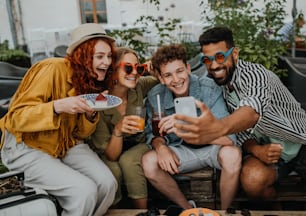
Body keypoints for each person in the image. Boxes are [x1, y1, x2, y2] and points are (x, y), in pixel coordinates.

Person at [174, 26, 306, 200]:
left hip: (301, 143)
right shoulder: (215, 85)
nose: (213, 65)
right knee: (252, 180)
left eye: (220, 57)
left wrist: (218, 127)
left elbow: (251, 111)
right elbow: (181, 80)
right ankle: (275, 208)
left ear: (234, 54)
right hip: (270, 152)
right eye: (207, 59)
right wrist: (256, 149)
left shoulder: (255, 75)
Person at [0, 23, 118, 216]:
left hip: (64, 143)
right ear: (82, 56)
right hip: (27, 146)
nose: (107, 62)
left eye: (109, 56)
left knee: (107, 184)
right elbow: (16, 118)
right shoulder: (51, 68)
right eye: (100, 56)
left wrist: (90, 114)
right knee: (82, 191)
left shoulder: (87, 80)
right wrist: (56, 107)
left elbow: (80, 133)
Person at [141, 44, 241, 210]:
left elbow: (229, 139)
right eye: (168, 75)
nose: (176, 79)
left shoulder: (209, 89)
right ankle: (188, 210)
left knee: (233, 154)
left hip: (212, 148)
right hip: (182, 152)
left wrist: (192, 129)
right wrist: (161, 147)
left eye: (179, 71)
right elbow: (154, 134)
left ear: (188, 68)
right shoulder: (156, 96)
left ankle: (224, 212)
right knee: (149, 161)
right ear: (161, 78)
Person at [91, 47, 158, 209]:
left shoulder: (138, 86)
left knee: (129, 161)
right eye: (128, 67)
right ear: (113, 70)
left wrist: (153, 69)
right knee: (113, 168)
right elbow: (111, 155)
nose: (134, 73)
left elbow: (163, 77)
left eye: (139, 68)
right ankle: (116, 211)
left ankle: (142, 212)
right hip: (111, 148)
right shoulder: (99, 100)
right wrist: (118, 131)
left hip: (139, 143)